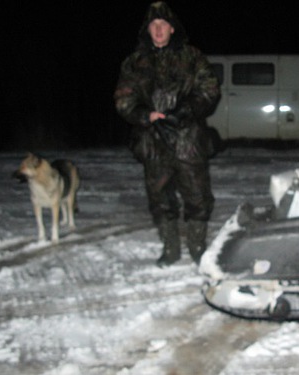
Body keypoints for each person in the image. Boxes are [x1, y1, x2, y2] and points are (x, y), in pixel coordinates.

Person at [114, 2, 221, 267]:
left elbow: (210, 90)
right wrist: (145, 115)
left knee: (198, 197)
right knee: (160, 200)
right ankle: (170, 248)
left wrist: (185, 110)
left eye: (163, 25)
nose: (158, 30)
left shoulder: (192, 57)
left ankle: (197, 247)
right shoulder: (134, 62)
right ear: (147, 30)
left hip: (188, 140)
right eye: (154, 25)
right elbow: (123, 100)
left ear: (172, 29)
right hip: (153, 141)